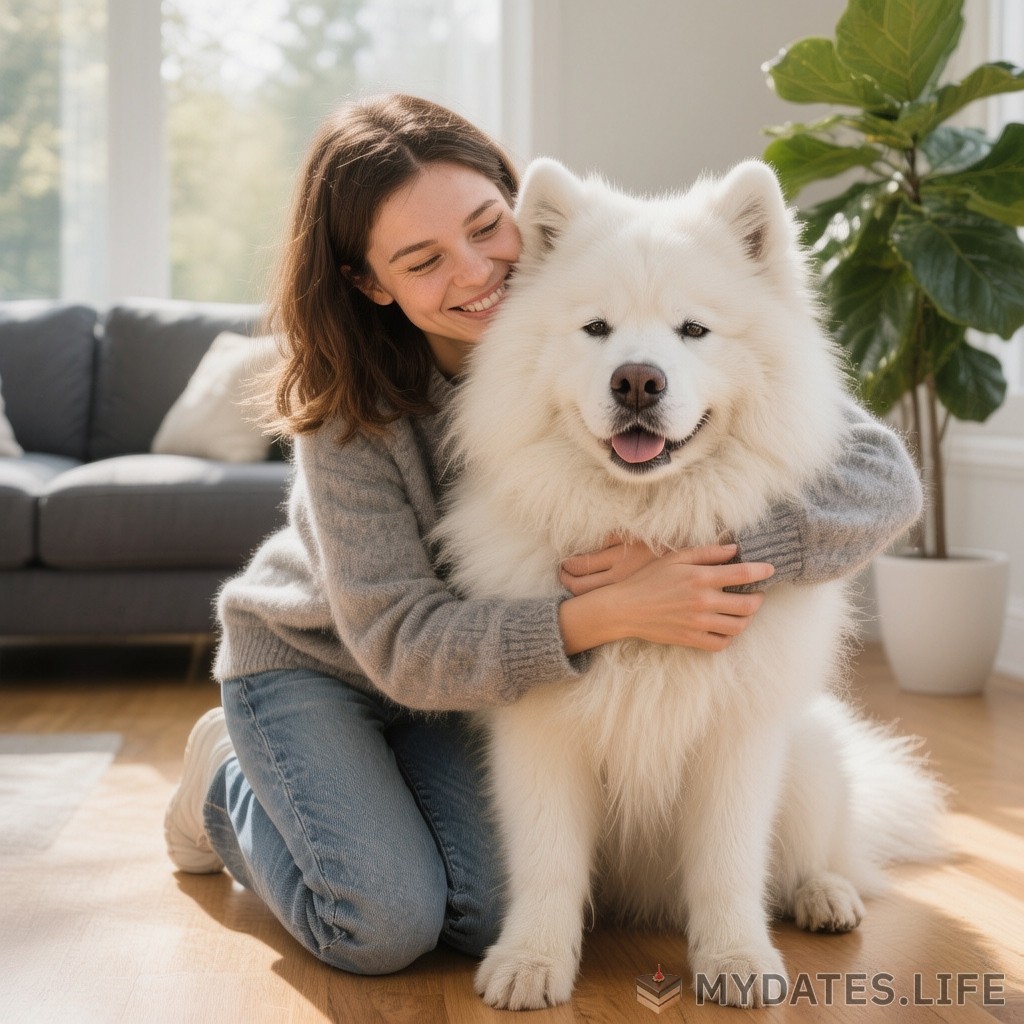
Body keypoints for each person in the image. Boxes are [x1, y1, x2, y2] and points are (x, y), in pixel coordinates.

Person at [164, 93, 923, 976]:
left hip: (471, 687)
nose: (478, 270)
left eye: (488, 227)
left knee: (483, 908)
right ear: (372, 282)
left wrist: (717, 563)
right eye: (423, 259)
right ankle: (226, 780)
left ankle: (374, 801)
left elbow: (879, 474)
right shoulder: (350, 415)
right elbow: (407, 649)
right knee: (378, 923)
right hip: (328, 664)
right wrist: (612, 610)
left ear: (518, 207)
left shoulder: (589, 277)